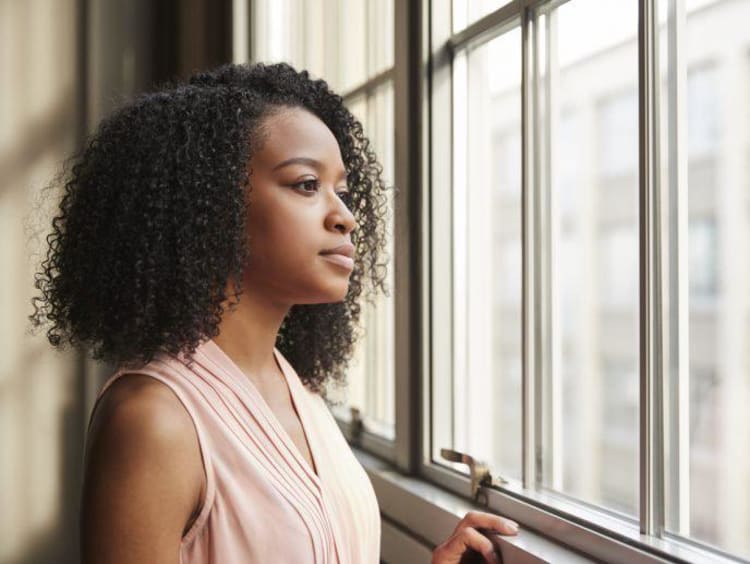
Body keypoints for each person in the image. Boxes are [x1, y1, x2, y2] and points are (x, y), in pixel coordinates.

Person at [30, 62, 518, 563]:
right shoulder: (154, 420)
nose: (345, 216)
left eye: (342, 192)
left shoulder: (296, 389)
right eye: (306, 184)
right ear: (215, 203)